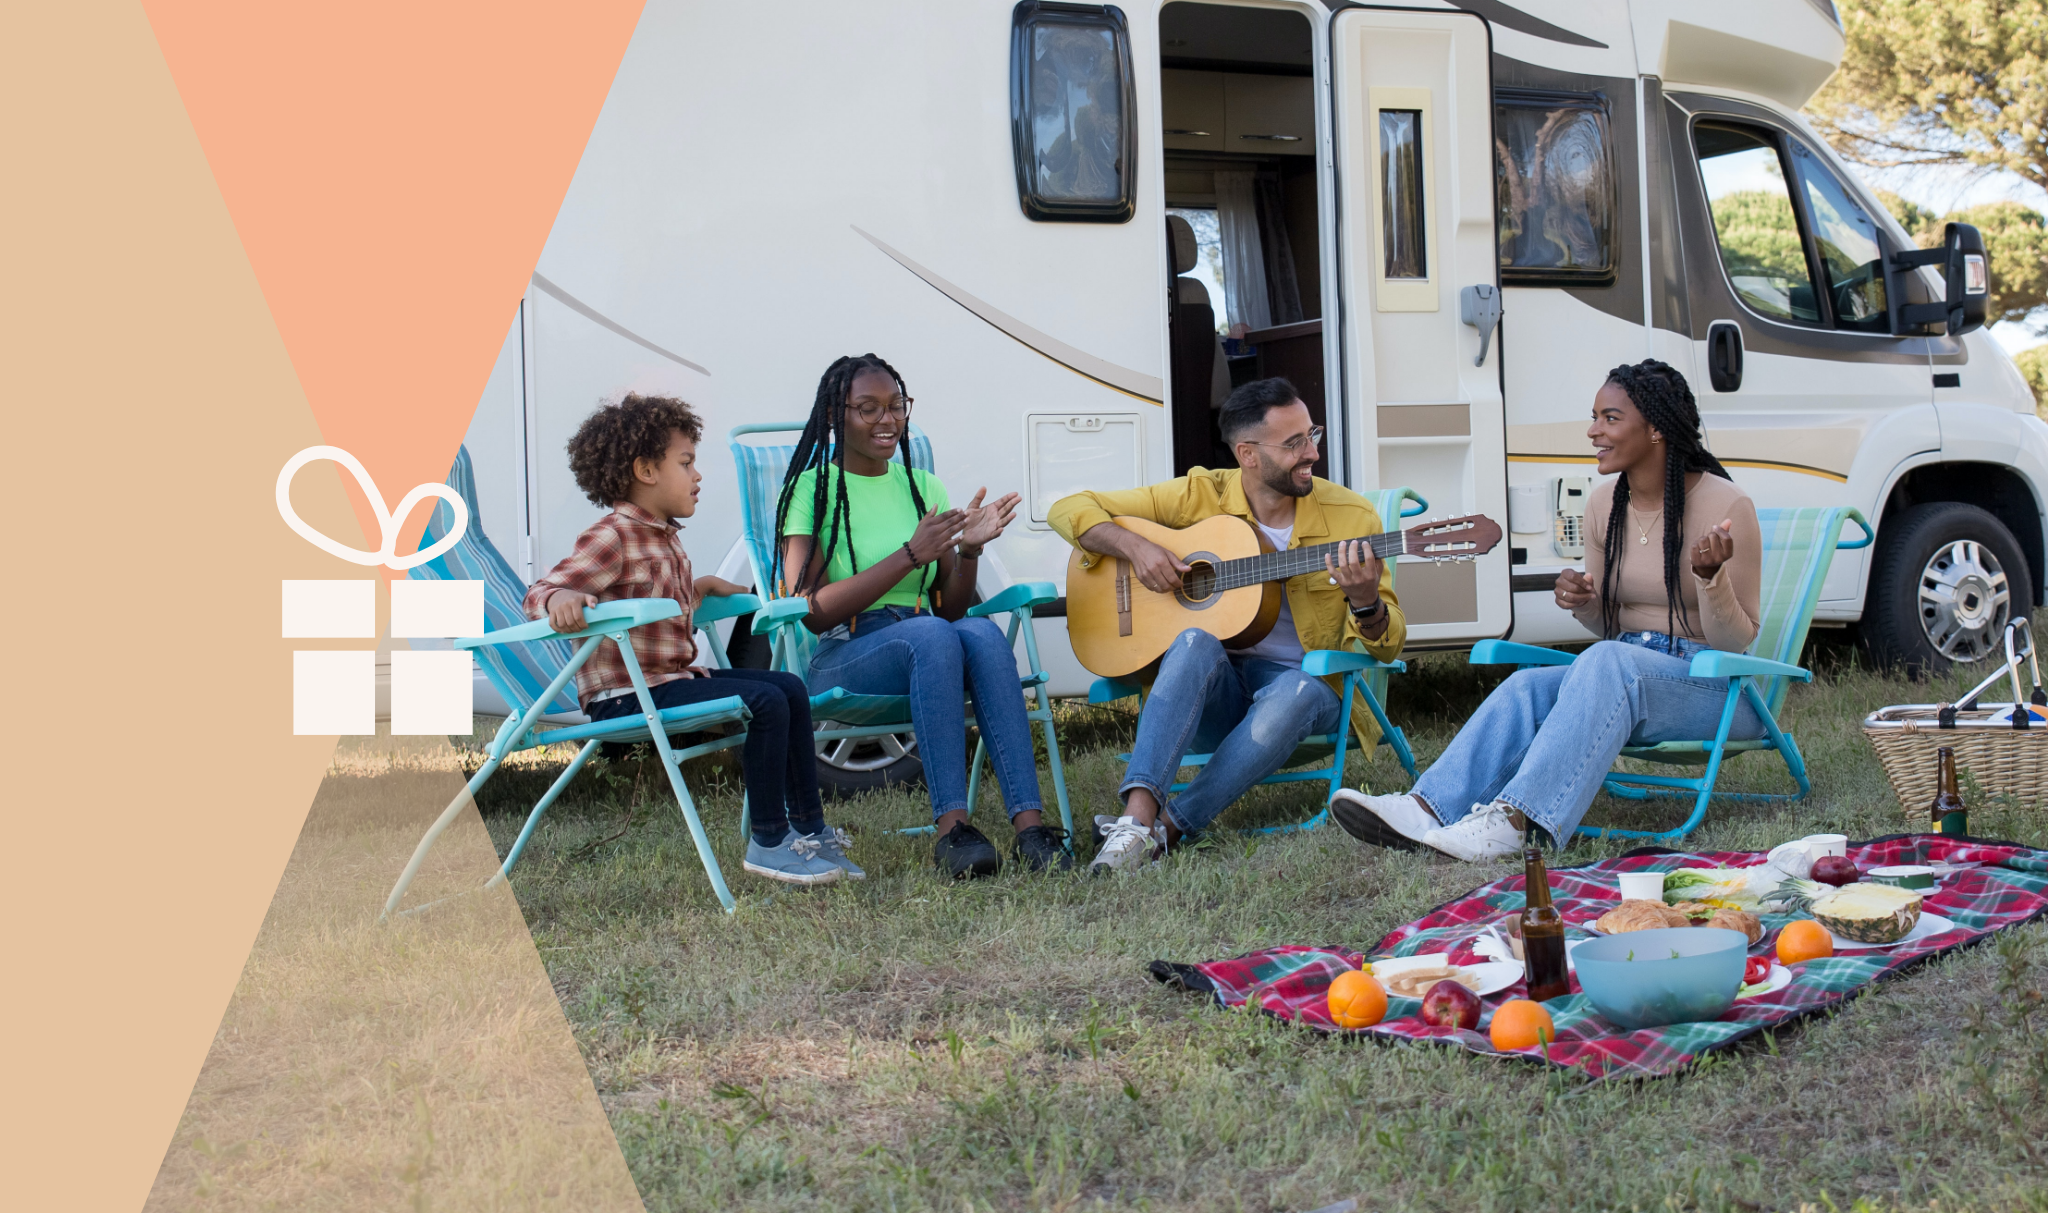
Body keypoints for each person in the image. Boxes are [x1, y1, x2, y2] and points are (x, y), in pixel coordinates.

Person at [1331, 359, 1764, 861]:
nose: (1594, 431)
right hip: (1625, 674)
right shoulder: (1605, 504)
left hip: (1716, 688)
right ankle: (1425, 808)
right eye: (1594, 417)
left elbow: (1736, 641)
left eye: (1610, 418)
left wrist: (1710, 578)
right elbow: (1610, 630)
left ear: (1656, 429)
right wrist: (1585, 604)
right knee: (1526, 687)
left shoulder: (1726, 507)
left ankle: (1515, 822)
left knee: (1607, 661)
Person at [1047, 378, 1407, 873]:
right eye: (1294, 443)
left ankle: (1167, 829)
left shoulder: (1351, 517)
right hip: (1212, 694)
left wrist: (1366, 603)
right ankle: (1135, 820)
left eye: (1313, 434)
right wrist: (1136, 548)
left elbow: (1388, 646)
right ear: (1247, 454)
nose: (1312, 453)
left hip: (1303, 693)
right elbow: (1066, 509)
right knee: (1194, 639)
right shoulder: (1200, 494)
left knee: (1299, 691)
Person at [524, 393, 857, 887]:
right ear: (645, 470)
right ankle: (769, 841)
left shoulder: (665, 536)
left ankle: (810, 831)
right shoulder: (614, 535)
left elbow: (647, 599)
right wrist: (560, 598)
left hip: (668, 682)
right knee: (766, 701)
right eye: (686, 463)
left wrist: (698, 589)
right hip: (626, 696)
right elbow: (539, 592)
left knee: (788, 686)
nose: (698, 476)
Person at [774, 354, 1064, 879]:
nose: (887, 420)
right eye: (869, 408)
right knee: (933, 634)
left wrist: (969, 550)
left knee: (980, 632)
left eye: (896, 406)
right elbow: (811, 611)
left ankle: (1031, 830)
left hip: (926, 638)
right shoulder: (811, 490)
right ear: (835, 414)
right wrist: (909, 555)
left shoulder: (922, 487)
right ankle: (954, 831)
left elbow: (950, 607)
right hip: (846, 652)